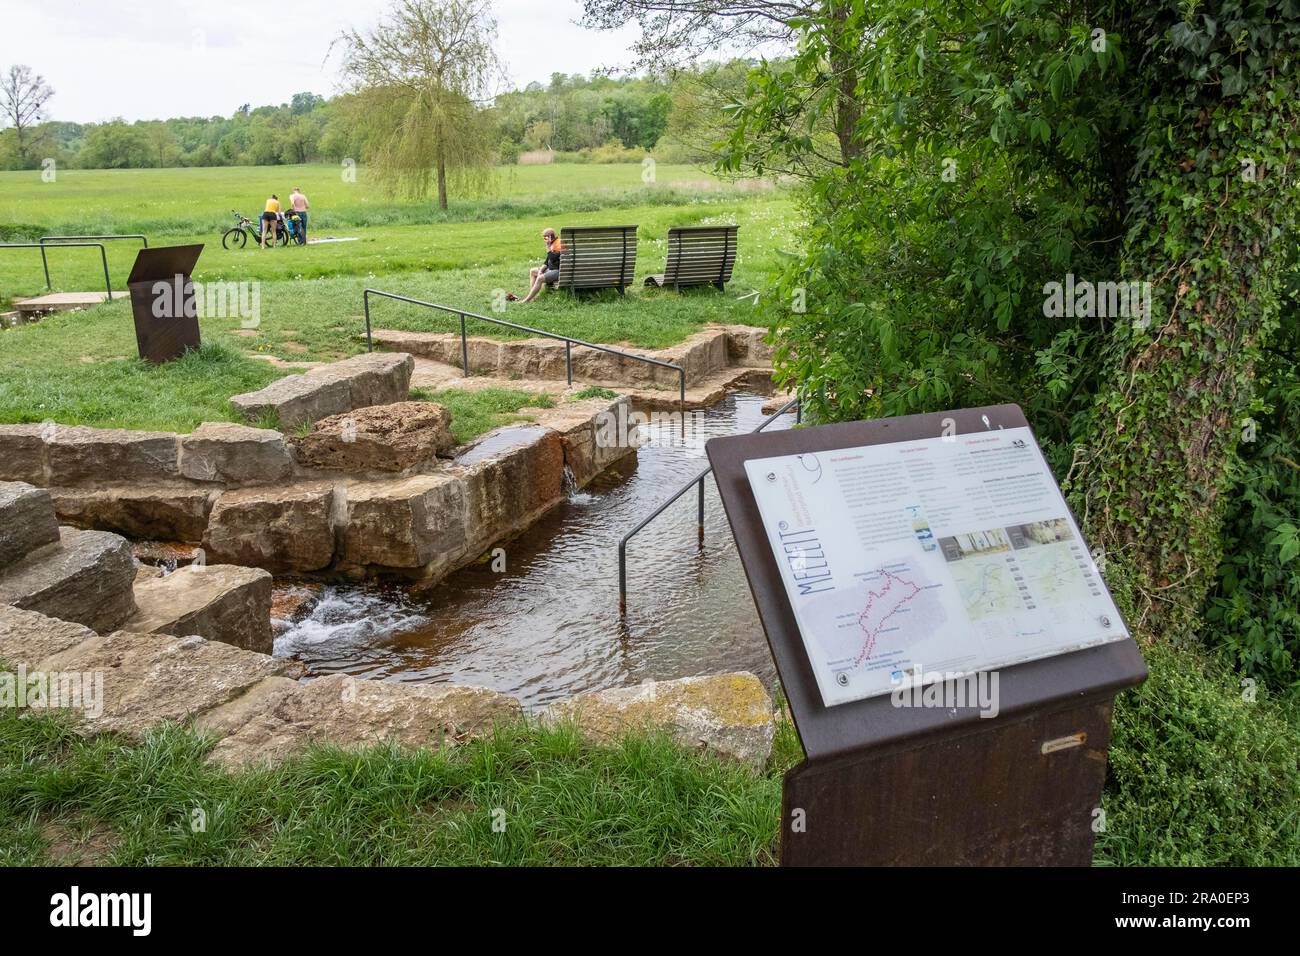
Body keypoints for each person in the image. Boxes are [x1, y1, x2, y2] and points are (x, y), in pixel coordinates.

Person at [512, 227, 563, 303]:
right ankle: (532, 297)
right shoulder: (554, 243)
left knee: (540, 278)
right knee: (533, 271)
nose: (544, 240)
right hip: (552, 269)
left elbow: (553, 259)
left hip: (559, 271)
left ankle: (526, 300)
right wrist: (541, 270)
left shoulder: (558, 244)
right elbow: (547, 260)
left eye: (545, 238)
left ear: (550, 237)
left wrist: (548, 248)